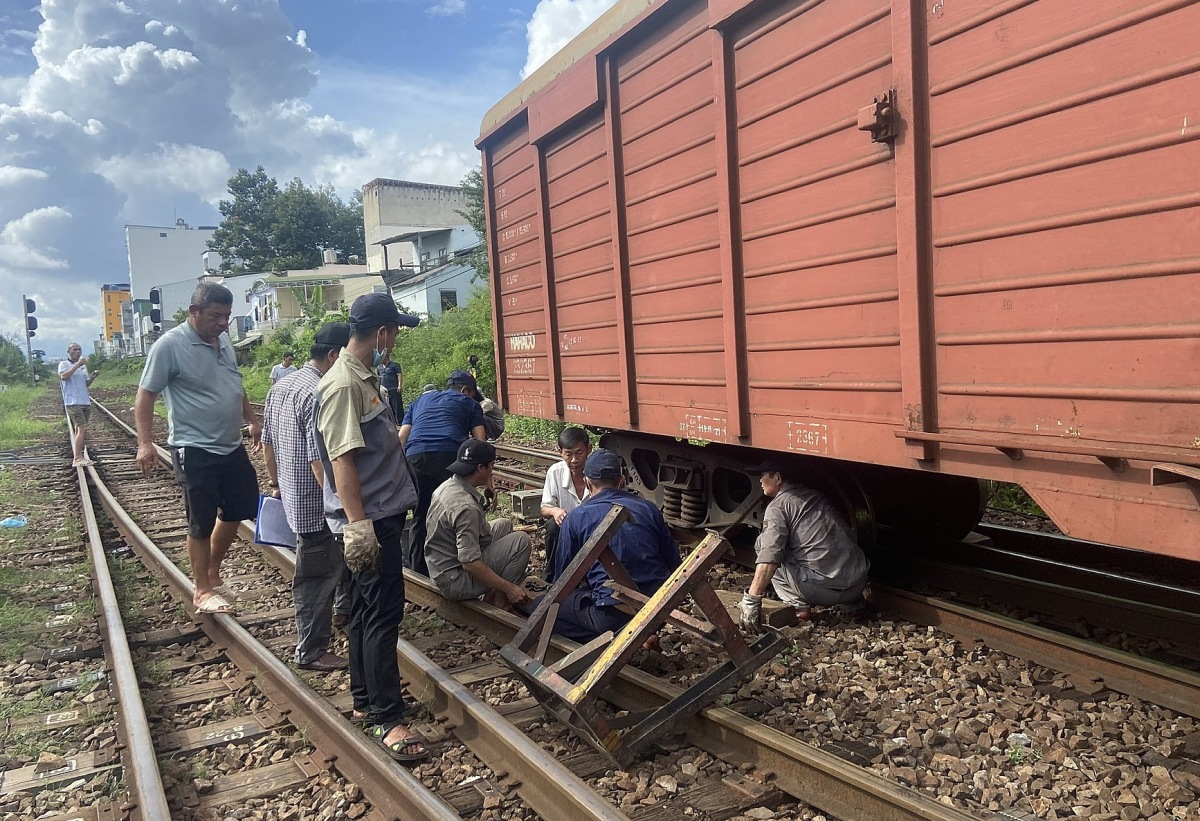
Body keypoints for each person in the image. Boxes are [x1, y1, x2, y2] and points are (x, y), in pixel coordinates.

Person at [314, 292, 427, 764]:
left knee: (363, 612)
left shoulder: (359, 378)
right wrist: (358, 526)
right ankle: (388, 717)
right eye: (395, 331)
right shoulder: (345, 385)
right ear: (381, 333)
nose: (395, 339)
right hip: (371, 521)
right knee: (383, 615)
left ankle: (365, 700)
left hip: (376, 516)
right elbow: (342, 462)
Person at [135, 282, 261, 615]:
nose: (222, 323)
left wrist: (252, 419)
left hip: (230, 444)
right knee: (201, 520)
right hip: (193, 446)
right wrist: (145, 443)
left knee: (241, 506)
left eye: (227, 317)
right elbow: (145, 395)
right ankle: (202, 590)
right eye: (215, 316)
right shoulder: (169, 346)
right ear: (194, 312)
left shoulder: (224, 342)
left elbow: (235, 384)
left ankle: (212, 572)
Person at [262, 323, 353, 671]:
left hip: (295, 501)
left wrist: (277, 485)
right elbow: (321, 460)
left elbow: (267, 443)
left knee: (336, 565)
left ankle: (343, 612)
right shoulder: (320, 391)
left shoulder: (281, 386)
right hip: (319, 508)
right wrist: (342, 504)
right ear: (333, 356)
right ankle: (311, 651)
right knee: (316, 578)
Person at [544, 449, 680, 641]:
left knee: (542, 608)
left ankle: (610, 640)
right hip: (657, 610)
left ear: (587, 482)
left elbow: (563, 580)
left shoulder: (576, 517)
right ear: (621, 480)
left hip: (612, 615)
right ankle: (638, 635)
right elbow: (674, 563)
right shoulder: (649, 508)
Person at [737, 459, 870, 630]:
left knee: (765, 544)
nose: (760, 481)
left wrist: (752, 599)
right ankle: (853, 605)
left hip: (820, 590)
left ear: (777, 478)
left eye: (763, 475)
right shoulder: (818, 497)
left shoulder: (778, 506)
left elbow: (770, 554)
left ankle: (798, 607)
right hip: (857, 583)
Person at [425, 439, 532, 610]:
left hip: (441, 565)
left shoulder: (447, 486)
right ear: (481, 468)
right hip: (454, 580)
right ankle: (501, 601)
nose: (491, 472)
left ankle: (492, 592)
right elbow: (469, 563)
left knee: (503, 525)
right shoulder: (466, 507)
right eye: (491, 466)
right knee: (521, 541)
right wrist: (509, 588)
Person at [398, 370, 486, 574]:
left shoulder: (419, 400)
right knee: (452, 509)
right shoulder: (469, 403)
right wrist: (488, 483)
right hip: (449, 454)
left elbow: (401, 439)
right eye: (473, 393)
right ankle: (453, 566)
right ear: (465, 390)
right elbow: (481, 445)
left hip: (416, 455)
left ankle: (418, 570)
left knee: (421, 513)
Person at [539, 427, 591, 580]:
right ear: (560, 452)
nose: (574, 460)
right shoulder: (555, 472)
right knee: (552, 525)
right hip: (566, 528)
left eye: (579, 453)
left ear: (589, 449)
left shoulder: (596, 470)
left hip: (591, 526)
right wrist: (555, 511)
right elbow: (544, 508)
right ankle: (552, 574)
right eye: (569, 454)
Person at [59, 342, 98, 467]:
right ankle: (77, 458)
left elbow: (85, 384)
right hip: (73, 402)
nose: (78, 351)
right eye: (74, 349)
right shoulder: (64, 364)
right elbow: (64, 377)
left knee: (79, 429)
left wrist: (92, 377)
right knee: (82, 428)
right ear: (68, 351)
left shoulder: (83, 367)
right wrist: (77, 365)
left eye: (79, 349)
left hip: (84, 401)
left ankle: (78, 456)